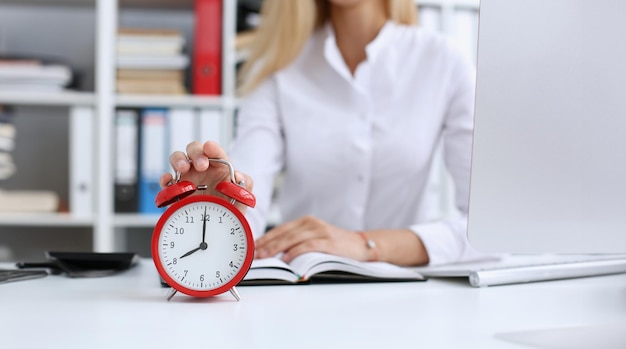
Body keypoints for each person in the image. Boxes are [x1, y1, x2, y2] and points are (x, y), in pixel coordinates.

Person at [162, 0, 483, 267]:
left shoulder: (444, 62)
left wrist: (367, 245)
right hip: (304, 292)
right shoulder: (278, 69)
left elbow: (490, 230)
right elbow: (249, 200)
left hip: (409, 294)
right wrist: (219, 210)